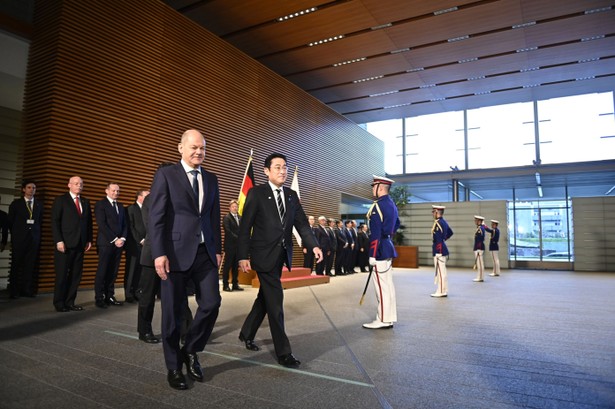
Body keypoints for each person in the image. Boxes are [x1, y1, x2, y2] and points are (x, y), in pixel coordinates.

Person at [149, 129, 222, 390]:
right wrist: (158, 253)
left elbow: (213, 217)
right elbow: (156, 216)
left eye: (202, 148)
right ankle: (173, 367)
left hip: (204, 252)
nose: (198, 152)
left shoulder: (212, 179)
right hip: (173, 253)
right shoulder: (166, 174)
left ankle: (190, 349)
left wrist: (217, 249)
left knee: (212, 303)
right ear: (180, 148)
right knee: (172, 313)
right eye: (193, 147)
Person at [237, 153, 323, 368]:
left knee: (265, 298)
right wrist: (242, 256)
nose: (282, 171)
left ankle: (246, 333)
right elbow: (245, 227)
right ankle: (284, 352)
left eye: (284, 167)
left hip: (281, 255)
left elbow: (302, 224)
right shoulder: (256, 194)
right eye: (277, 167)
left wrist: (314, 245)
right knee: (275, 303)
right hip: (262, 255)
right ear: (267, 171)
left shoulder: (292, 195)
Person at [363, 175, 400, 329]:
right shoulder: (391, 204)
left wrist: (372, 253)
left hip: (379, 250)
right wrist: (388, 237)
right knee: (388, 285)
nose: (372, 188)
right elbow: (397, 224)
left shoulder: (378, 206)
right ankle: (389, 317)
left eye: (374, 186)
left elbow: (375, 233)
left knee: (381, 287)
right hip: (387, 246)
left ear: (380, 187)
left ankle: (383, 320)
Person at [51, 176, 93, 312]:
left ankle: (70, 302)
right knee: (62, 275)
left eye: (81, 184)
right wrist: (58, 240)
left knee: (76, 276)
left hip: (80, 244)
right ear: (69, 185)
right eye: (76, 184)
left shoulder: (85, 202)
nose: (79, 186)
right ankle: (59, 303)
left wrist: (89, 240)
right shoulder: (61, 200)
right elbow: (55, 222)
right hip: (64, 244)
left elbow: (89, 223)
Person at [7, 180, 44, 298]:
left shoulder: (39, 204)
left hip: (33, 239)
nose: (31, 190)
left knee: (29, 265)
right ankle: (14, 291)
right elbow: (10, 222)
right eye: (29, 187)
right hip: (19, 239)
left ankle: (26, 290)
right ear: (23, 189)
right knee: (16, 265)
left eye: (34, 188)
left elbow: (39, 221)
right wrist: (16, 235)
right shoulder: (16, 204)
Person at [94, 183, 127, 308]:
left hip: (119, 244)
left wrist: (123, 238)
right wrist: (115, 239)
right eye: (113, 191)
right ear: (106, 191)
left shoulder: (120, 206)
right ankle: (99, 298)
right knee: (102, 271)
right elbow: (102, 225)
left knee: (113, 271)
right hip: (106, 243)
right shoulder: (100, 204)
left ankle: (110, 296)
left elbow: (125, 225)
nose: (116, 193)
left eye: (118, 191)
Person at [124, 189, 149, 303]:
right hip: (134, 245)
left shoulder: (148, 210)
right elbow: (131, 227)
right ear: (139, 196)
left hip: (146, 244)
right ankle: (128, 293)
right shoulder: (131, 209)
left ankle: (137, 292)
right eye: (147, 196)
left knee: (141, 270)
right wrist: (140, 240)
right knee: (131, 270)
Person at [431, 205, 453, 298]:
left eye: (433, 212)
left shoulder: (439, 223)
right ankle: (444, 290)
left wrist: (439, 250)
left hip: (439, 250)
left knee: (440, 272)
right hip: (441, 248)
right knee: (442, 271)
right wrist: (444, 239)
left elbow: (439, 238)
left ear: (437, 212)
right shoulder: (443, 222)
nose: (432, 214)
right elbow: (450, 232)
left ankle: (440, 291)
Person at [222, 199, 242, 292]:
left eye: (236, 206)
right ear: (229, 208)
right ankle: (225, 285)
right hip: (230, 246)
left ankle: (235, 284)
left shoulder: (240, 217)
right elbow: (228, 231)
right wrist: (239, 238)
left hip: (238, 246)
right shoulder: (226, 218)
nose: (235, 208)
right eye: (233, 206)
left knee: (235, 266)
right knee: (227, 265)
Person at [472, 215, 486, 282]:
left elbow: (481, 239)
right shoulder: (479, 228)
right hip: (478, 247)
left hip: (479, 248)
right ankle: (479, 276)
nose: (475, 221)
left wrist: (478, 249)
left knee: (480, 263)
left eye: (476, 220)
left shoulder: (480, 229)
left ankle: (480, 277)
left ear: (479, 221)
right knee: (479, 263)